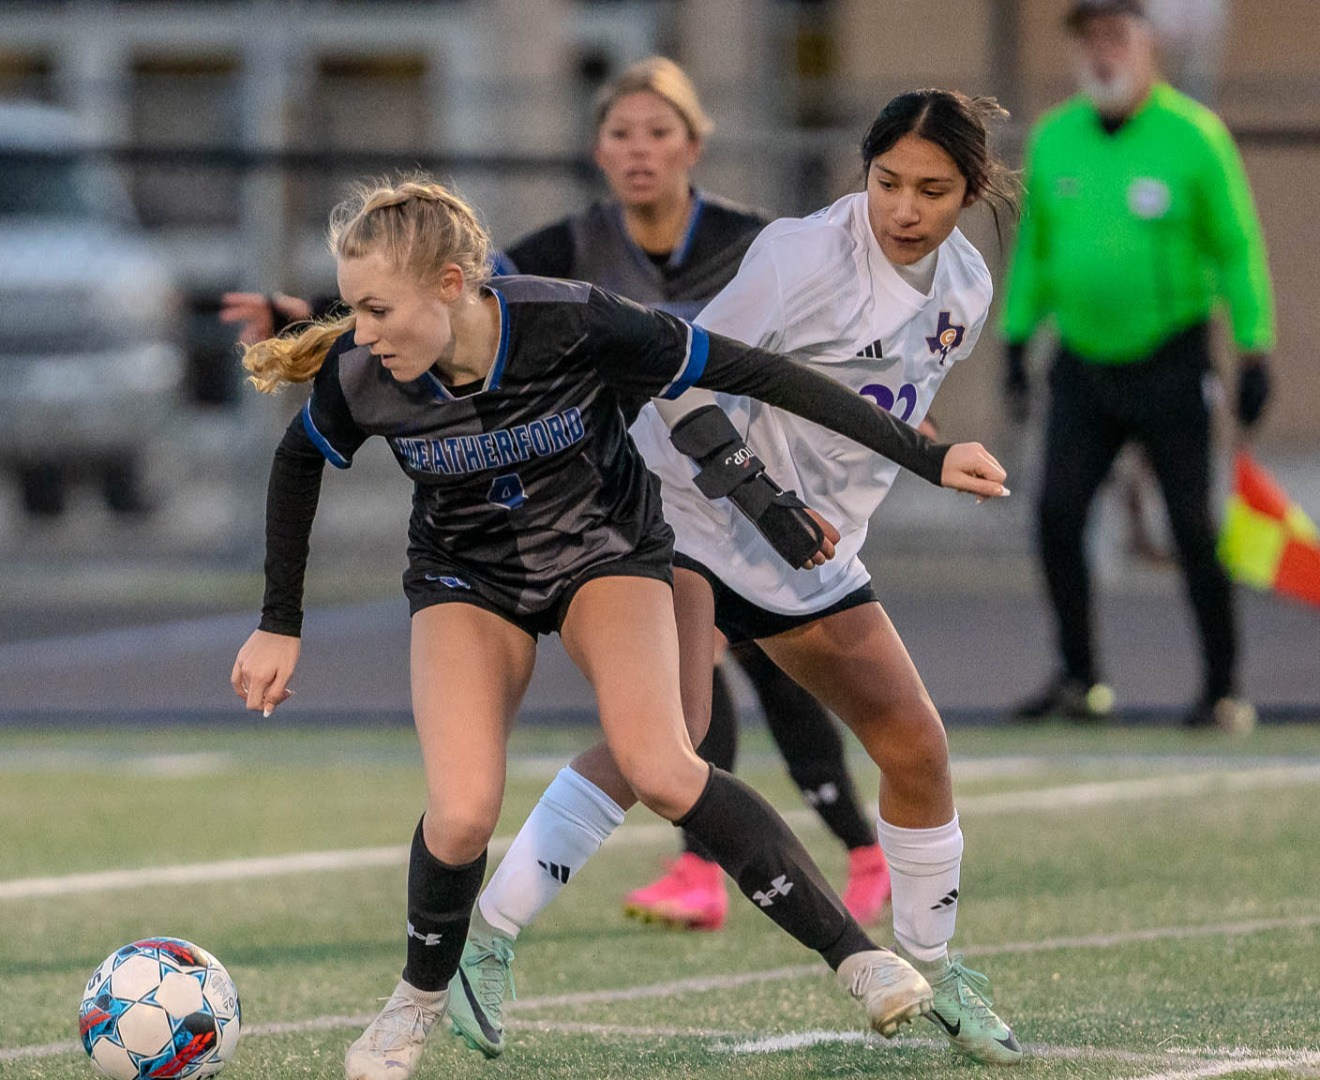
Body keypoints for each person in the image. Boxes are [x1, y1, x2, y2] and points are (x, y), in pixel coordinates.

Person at [229, 177, 1009, 1080]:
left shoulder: (574, 321)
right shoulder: (365, 373)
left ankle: (860, 958)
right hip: (466, 579)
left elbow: (754, 372)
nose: (358, 332)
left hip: (607, 554)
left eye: (374, 309)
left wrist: (924, 453)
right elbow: (297, 463)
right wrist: (277, 624)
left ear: (451, 283)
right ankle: (417, 1002)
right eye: (352, 310)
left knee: (663, 765)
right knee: (460, 814)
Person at [450, 89, 1026, 1067]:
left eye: (933, 190)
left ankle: (934, 971)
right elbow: (677, 380)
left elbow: (874, 403)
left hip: (808, 546)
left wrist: (927, 449)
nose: (904, 207)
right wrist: (764, 500)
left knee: (916, 747)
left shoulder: (963, 288)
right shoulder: (800, 256)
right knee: (659, 746)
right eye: (887, 182)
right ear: (865, 172)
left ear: (971, 192)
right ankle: (485, 944)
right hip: (682, 509)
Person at [498, 55, 892, 933]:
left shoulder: (756, 241)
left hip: (749, 483)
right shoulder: (574, 246)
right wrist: (313, 314)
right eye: (621, 133)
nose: (640, 150)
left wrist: (896, 426)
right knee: (705, 659)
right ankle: (745, 863)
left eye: (659, 131)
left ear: (695, 145)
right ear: (598, 150)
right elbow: (456, 296)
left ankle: (832, 852)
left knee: (759, 662)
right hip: (643, 492)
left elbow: (840, 338)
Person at [1004, 0, 1275, 731]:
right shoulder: (1057, 138)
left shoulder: (1194, 136)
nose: (1101, 53)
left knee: (1192, 526)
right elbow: (1036, 249)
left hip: (1171, 358)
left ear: (1146, 44)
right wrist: (1015, 337)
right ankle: (1080, 679)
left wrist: (1253, 347)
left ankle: (1221, 687)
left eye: (1115, 37)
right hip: (1082, 364)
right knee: (1057, 514)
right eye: (1087, 39)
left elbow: (1237, 246)